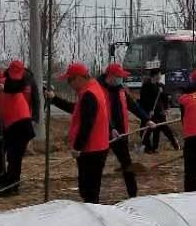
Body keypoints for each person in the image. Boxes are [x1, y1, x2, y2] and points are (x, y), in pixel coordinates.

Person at [49, 62, 113, 203]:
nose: (69, 84)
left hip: (91, 149)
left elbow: (87, 124)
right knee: (88, 189)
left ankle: (93, 218)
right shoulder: (91, 89)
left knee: (89, 191)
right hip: (96, 147)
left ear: (78, 78)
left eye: (70, 80)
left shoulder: (89, 94)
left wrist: (78, 147)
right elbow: (76, 110)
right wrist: (54, 99)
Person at [100, 62, 151, 198]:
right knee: (98, 166)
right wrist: (110, 128)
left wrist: (147, 119)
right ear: (110, 76)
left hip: (121, 134)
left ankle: (133, 195)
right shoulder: (99, 90)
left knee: (127, 165)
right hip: (102, 134)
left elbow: (133, 106)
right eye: (118, 76)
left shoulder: (121, 89)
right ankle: (93, 199)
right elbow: (100, 114)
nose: (120, 79)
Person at [0, 59, 37, 196]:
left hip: (21, 124)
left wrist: (1, 86)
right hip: (13, 124)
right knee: (12, 157)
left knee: (14, 157)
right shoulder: (2, 81)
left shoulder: (12, 83)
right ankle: (10, 183)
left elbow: (15, 87)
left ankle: (11, 187)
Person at [138, 67, 178, 153]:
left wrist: (166, 108)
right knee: (146, 130)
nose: (160, 76)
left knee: (163, 128)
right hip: (149, 112)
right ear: (155, 75)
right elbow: (143, 99)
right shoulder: (146, 85)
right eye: (159, 74)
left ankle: (171, 144)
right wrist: (148, 110)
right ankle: (147, 147)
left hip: (159, 111)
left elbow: (165, 98)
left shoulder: (160, 86)